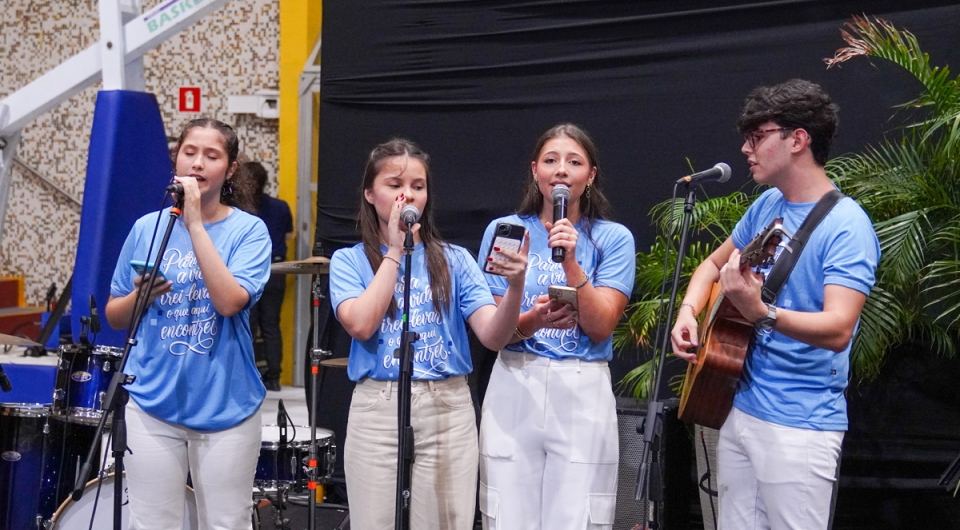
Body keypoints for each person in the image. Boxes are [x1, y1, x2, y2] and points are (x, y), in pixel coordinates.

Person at [671, 79, 879, 530]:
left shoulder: (847, 226)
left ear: (798, 139)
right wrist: (688, 312)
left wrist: (761, 313)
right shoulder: (768, 204)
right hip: (740, 406)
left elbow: (839, 327)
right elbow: (712, 265)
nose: (746, 149)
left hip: (800, 425)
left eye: (757, 136)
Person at [328, 138, 529, 530]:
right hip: (378, 406)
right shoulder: (349, 260)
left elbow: (493, 336)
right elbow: (361, 324)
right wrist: (394, 251)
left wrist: (516, 286)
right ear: (370, 194)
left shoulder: (454, 259)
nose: (407, 195)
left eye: (417, 186)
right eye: (394, 184)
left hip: (446, 406)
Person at [105, 118, 271, 530]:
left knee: (226, 522)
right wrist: (140, 297)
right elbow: (114, 314)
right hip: (152, 402)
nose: (197, 163)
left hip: (226, 406)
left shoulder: (249, 231)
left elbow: (229, 302)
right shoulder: (148, 228)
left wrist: (195, 223)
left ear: (230, 169)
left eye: (211, 156)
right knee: (152, 522)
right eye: (189, 152)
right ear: (176, 159)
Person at [477, 123, 636, 529]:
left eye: (574, 162)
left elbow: (601, 327)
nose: (561, 169)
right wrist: (534, 319)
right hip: (516, 379)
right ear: (535, 170)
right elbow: (494, 331)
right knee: (507, 515)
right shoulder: (506, 232)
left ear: (591, 175)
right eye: (551, 160)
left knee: (577, 516)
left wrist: (571, 263)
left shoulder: (613, 238)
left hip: (581, 386)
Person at [245, 161, 294, 391]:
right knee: (271, 325)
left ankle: (248, 375)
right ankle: (274, 377)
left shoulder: (242, 210)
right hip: (277, 269)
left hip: (250, 270)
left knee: (248, 325)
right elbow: (289, 236)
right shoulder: (281, 206)